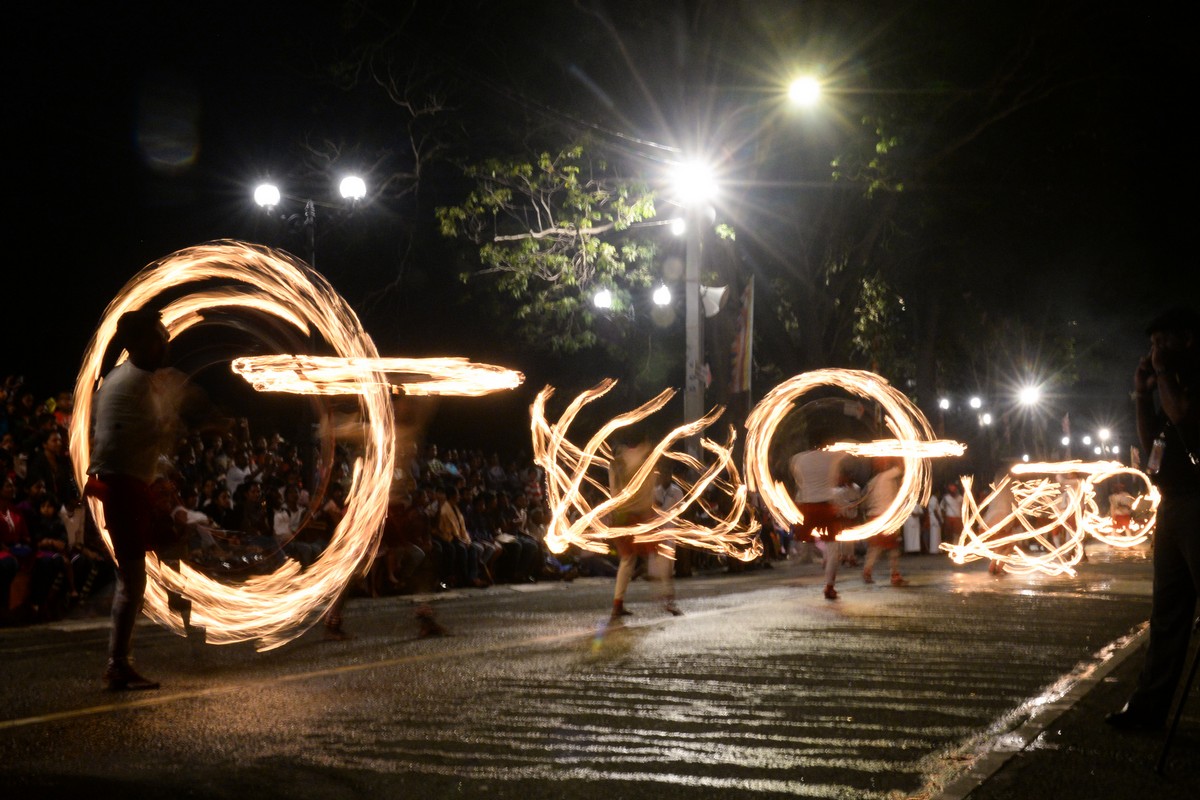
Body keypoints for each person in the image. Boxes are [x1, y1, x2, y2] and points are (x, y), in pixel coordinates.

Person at [1107, 306, 1200, 732]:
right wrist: (1142, 394)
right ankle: (1148, 709)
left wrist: (1162, 376)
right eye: (1151, 345)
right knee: (1166, 614)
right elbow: (1152, 449)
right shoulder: (1167, 386)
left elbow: (1183, 415)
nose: (1155, 352)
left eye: (1163, 342)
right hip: (1174, 505)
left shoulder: (1191, 382)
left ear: (1188, 340)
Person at [84, 306, 172, 691]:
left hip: (130, 486)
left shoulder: (127, 380)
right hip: (123, 488)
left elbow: (137, 436)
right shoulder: (129, 383)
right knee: (133, 579)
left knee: (139, 573)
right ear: (139, 342)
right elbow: (115, 442)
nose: (165, 339)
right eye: (158, 335)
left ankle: (121, 660)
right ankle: (118, 663)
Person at [789, 435, 851, 600]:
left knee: (802, 538)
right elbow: (850, 448)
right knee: (833, 550)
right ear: (826, 445)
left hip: (807, 507)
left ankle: (797, 552)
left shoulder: (798, 459)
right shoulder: (831, 456)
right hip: (825, 508)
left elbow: (798, 479)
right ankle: (829, 587)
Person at [608, 426, 657, 619]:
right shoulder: (638, 457)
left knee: (628, 560)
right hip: (634, 515)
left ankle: (618, 604)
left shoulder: (616, 462)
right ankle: (666, 599)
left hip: (621, 515)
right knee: (653, 556)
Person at [861, 457, 908, 586]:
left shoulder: (871, 482)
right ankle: (894, 575)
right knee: (893, 547)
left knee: (875, 547)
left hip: (875, 517)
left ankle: (867, 571)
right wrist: (901, 455)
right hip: (885, 517)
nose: (885, 463)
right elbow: (902, 468)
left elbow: (865, 503)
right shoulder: (887, 476)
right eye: (883, 461)